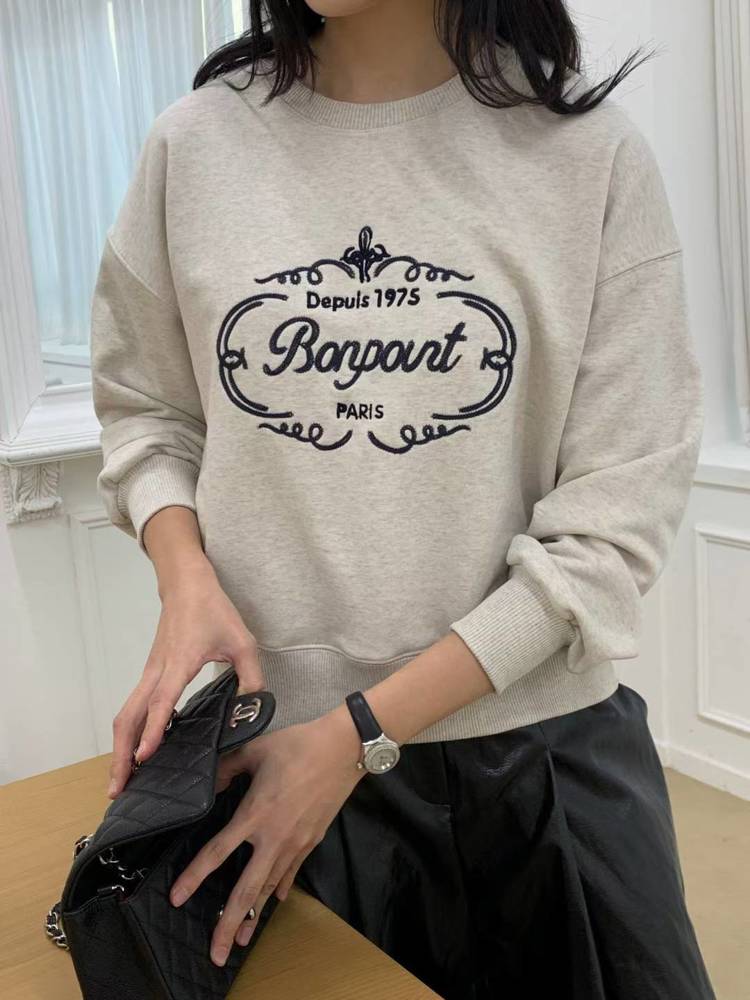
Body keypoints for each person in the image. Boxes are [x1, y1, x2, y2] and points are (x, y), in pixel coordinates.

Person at [90, 2, 716, 997]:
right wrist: (184, 575)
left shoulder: (589, 156)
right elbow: (147, 412)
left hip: (539, 776)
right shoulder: (195, 148)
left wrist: (357, 733)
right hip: (277, 771)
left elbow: (612, 526)